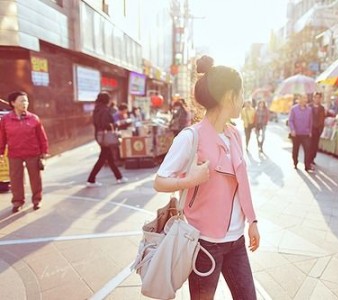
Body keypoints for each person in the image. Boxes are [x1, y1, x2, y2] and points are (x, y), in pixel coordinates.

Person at [154, 55, 260, 299]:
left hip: (236, 241)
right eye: (241, 93)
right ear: (228, 97)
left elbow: (242, 183)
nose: (243, 101)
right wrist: (190, 179)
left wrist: (252, 221)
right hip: (204, 243)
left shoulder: (235, 135)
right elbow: (159, 181)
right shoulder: (191, 137)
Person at [0, 91, 49, 212]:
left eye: (26, 100)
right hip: (14, 153)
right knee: (16, 179)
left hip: (32, 153)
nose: (25, 103)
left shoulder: (34, 118)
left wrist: (44, 151)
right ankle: (17, 202)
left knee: (35, 178)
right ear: (13, 103)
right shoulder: (6, 119)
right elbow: (2, 137)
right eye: (22, 100)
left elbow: (42, 136)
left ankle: (37, 200)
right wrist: (1, 152)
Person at [86, 92, 128, 187]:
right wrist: (116, 124)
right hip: (105, 137)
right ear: (106, 100)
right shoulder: (104, 110)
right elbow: (105, 125)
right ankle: (91, 180)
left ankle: (119, 177)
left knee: (109, 158)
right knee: (103, 158)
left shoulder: (96, 109)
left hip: (100, 136)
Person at [288, 94, 313, 172]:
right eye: (303, 98)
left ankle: (307, 166)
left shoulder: (309, 110)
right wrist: (292, 130)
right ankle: (295, 162)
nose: (305, 100)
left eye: (306, 98)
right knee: (295, 149)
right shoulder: (294, 109)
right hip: (296, 133)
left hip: (305, 133)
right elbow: (290, 120)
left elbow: (311, 121)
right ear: (299, 99)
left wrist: (310, 131)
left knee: (308, 150)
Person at [310, 92, 325, 165]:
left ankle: (312, 158)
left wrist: (320, 130)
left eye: (318, 98)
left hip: (317, 130)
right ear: (313, 98)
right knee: (309, 145)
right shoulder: (309, 107)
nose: (317, 99)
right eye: (315, 97)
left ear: (320, 99)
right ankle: (308, 159)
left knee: (315, 146)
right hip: (310, 129)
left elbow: (322, 120)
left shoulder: (322, 108)